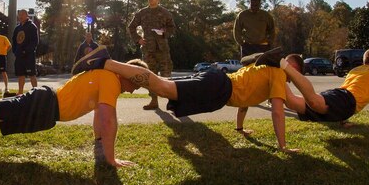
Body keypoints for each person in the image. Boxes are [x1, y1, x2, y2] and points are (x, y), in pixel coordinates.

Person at [0, 58, 147, 167]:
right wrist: (110, 158)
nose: (136, 87)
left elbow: (99, 115)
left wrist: (99, 145)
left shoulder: (106, 79)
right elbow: (107, 119)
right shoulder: (111, 80)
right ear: (128, 73)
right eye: (137, 81)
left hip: (45, 104)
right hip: (45, 104)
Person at [73, 46, 298, 152]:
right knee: (162, 87)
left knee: (162, 84)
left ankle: (107, 63)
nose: (295, 78)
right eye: (297, 72)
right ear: (291, 66)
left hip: (218, 83)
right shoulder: (278, 73)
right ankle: (106, 62)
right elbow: (278, 111)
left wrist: (240, 128)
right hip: (218, 87)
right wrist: (283, 146)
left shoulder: (265, 72)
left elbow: (245, 99)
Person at [280, 49, 369, 134]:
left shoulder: (355, 70)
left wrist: (342, 120)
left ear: (364, 61)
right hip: (346, 100)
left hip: (339, 94)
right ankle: (283, 64)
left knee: (291, 102)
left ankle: (277, 74)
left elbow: (345, 93)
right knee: (313, 101)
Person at [127, 0, 176, 110]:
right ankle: (154, 101)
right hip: (148, 49)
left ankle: (172, 102)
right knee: (150, 76)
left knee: (166, 74)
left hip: (162, 49)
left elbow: (172, 28)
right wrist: (138, 39)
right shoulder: (142, 13)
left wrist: (164, 32)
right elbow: (131, 27)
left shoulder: (165, 12)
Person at [11, 9, 39, 95]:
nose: (20, 16)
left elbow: (35, 41)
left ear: (27, 15)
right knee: (20, 74)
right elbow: (14, 41)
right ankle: (20, 92)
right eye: (19, 15)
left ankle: (35, 92)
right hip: (19, 55)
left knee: (32, 74)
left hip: (29, 55)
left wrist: (27, 50)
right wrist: (15, 51)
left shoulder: (32, 26)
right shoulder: (17, 28)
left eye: (22, 14)